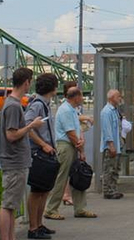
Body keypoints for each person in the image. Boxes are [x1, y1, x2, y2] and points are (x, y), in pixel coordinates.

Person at [0, 68, 44, 240]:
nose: (29, 85)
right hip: (14, 161)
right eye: (29, 82)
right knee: (8, 205)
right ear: (26, 82)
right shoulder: (13, 106)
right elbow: (11, 135)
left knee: (12, 205)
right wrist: (31, 126)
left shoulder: (12, 104)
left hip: (17, 161)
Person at [44, 87, 96, 220]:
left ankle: (80, 208)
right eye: (81, 96)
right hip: (66, 146)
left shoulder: (72, 109)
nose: (83, 99)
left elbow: (76, 129)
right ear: (76, 97)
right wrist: (81, 149)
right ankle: (51, 209)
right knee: (62, 178)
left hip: (72, 145)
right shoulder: (66, 110)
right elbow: (70, 133)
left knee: (78, 176)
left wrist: (80, 143)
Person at [24, 73, 59, 239]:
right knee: (37, 191)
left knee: (44, 190)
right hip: (39, 154)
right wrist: (43, 144)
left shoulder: (45, 104)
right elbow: (27, 126)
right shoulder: (37, 104)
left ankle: (39, 224)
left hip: (48, 152)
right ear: (51, 87)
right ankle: (33, 228)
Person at [100, 89, 124, 199]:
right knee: (109, 168)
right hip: (111, 146)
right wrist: (111, 145)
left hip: (117, 144)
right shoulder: (106, 111)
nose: (120, 98)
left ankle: (113, 189)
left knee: (115, 168)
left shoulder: (115, 110)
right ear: (111, 98)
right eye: (118, 96)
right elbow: (107, 130)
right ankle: (108, 190)